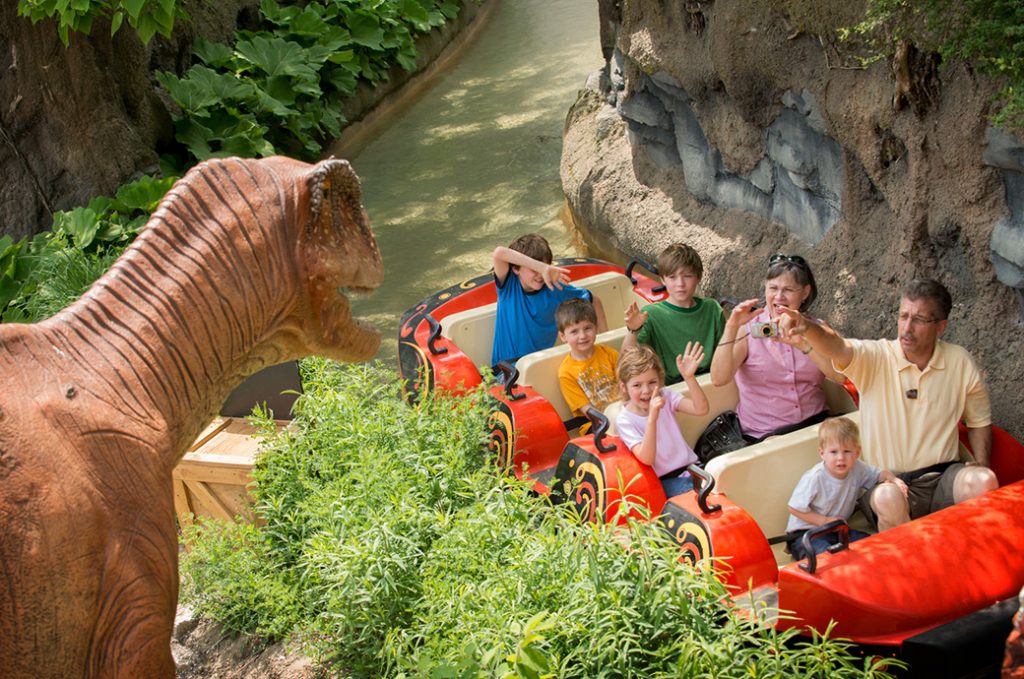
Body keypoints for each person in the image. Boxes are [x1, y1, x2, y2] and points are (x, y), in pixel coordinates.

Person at [777, 279, 998, 530]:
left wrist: (981, 462)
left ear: (940, 327)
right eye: (903, 316)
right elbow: (839, 347)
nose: (907, 327)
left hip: (942, 476)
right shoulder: (877, 356)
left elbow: (979, 421)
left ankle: (968, 560)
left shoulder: (959, 361)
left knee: (984, 480)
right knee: (888, 497)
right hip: (888, 483)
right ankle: (911, 567)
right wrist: (806, 327)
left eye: (920, 320)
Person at [710, 254, 844, 442]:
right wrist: (731, 327)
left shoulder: (817, 328)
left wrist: (804, 344)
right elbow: (718, 378)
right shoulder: (747, 328)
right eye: (773, 288)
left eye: (788, 289)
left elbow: (840, 376)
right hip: (766, 436)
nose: (779, 296)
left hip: (817, 428)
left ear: (805, 293)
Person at [786, 417, 906, 560]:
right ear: (822, 453)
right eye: (834, 452)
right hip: (806, 533)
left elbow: (879, 474)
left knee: (870, 545)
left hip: (837, 530)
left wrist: (893, 479)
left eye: (847, 451)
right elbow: (794, 508)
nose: (841, 458)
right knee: (827, 557)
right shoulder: (816, 477)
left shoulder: (857, 468)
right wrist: (823, 521)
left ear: (857, 452)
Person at [491, 234, 606, 370]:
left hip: (538, 367)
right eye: (535, 269)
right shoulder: (509, 286)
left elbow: (594, 300)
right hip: (504, 371)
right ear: (516, 269)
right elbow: (499, 253)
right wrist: (542, 268)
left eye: (546, 267)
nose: (540, 275)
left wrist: (604, 342)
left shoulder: (555, 288)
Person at [614, 344, 709, 497]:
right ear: (624, 387)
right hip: (664, 481)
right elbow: (647, 458)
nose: (646, 390)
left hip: (692, 469)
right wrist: (652, 418)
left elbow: (701, 409)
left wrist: (689, 378)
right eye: (637, 385)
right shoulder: (625, 420)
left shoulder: (666, 396)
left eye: (652, 382)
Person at [623, 243, 724, 382]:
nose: (680, 284)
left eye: (687, 276)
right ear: (663, 279)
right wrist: (633, 330)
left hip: (712, 381)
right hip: (674, 390)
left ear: (698, 277)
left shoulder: (712, 308)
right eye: (672, 277)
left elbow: (727, 351)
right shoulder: (651, 314)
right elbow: (628, 361)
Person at [556, 298, 619, 431]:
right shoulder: (566, 372)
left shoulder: (609, 353)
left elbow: (626, 383)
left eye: (587, 328)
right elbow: (587, 410)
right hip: (594, 424)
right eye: (574, 331)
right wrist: (612, 421)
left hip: (621, 412)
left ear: (596, 328)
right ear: (563, 336)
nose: (583, 335)